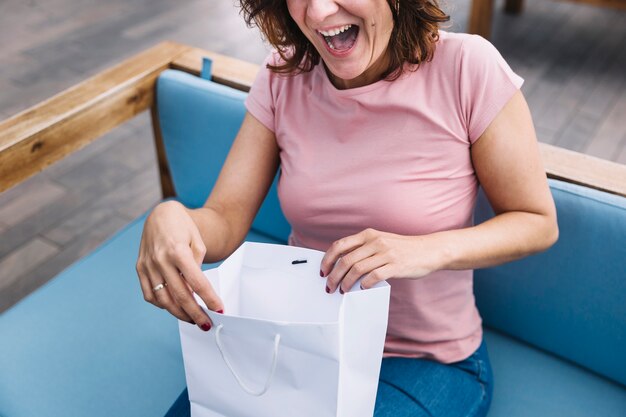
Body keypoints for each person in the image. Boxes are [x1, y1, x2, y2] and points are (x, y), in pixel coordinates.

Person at [136, 0, 559, 415]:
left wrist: (424, 249)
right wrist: (172, 216)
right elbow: (224, 221)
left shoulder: (468, 67)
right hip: (299, 345)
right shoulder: (283, 74)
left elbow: (536, 222)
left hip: (425, 360)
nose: (318, 12)